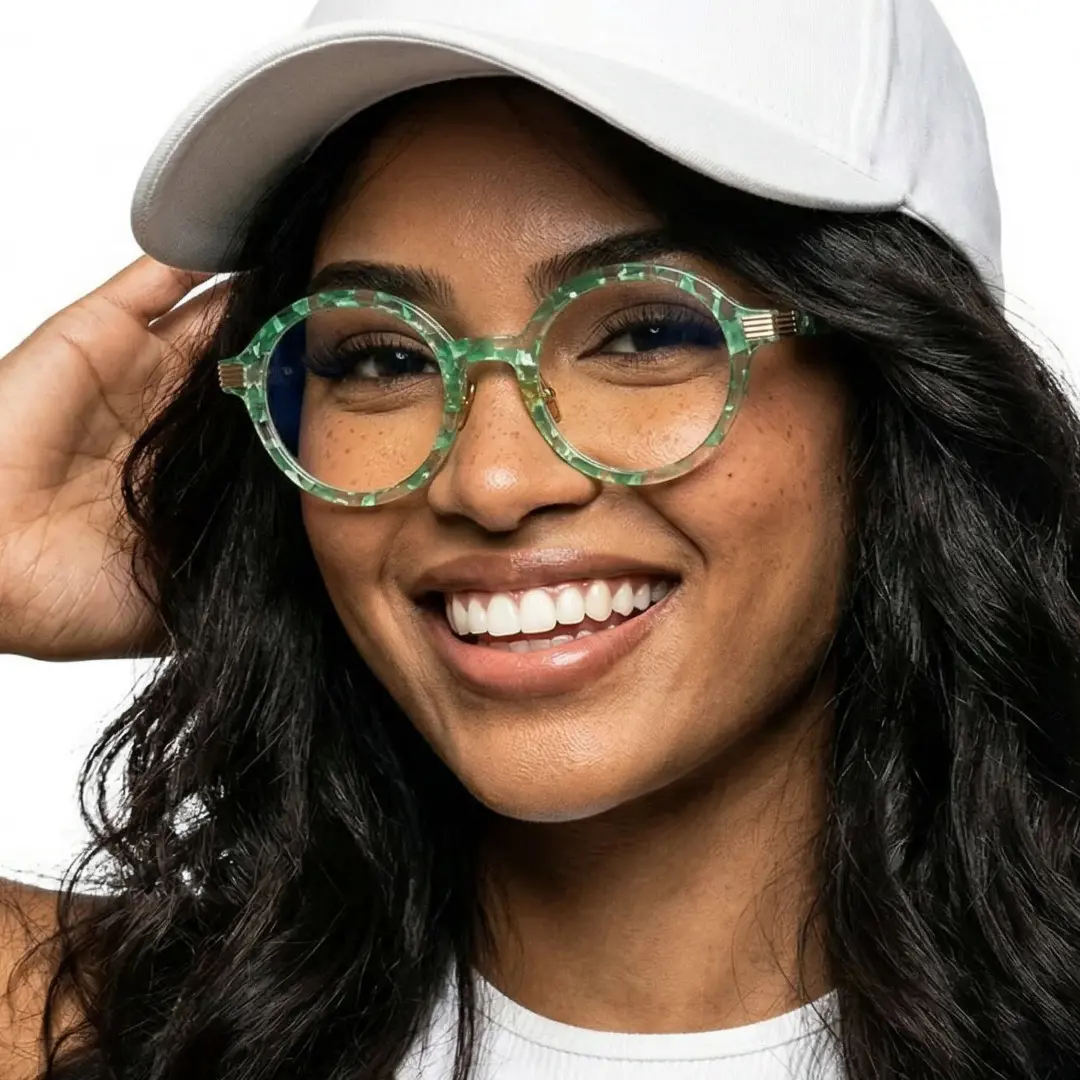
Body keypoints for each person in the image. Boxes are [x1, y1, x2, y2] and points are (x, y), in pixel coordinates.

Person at [2, 1, 1079, 1078]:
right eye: (381, 358)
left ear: (901, 392)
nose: (494, 479)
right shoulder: (88, 1024)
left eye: (648, 332)